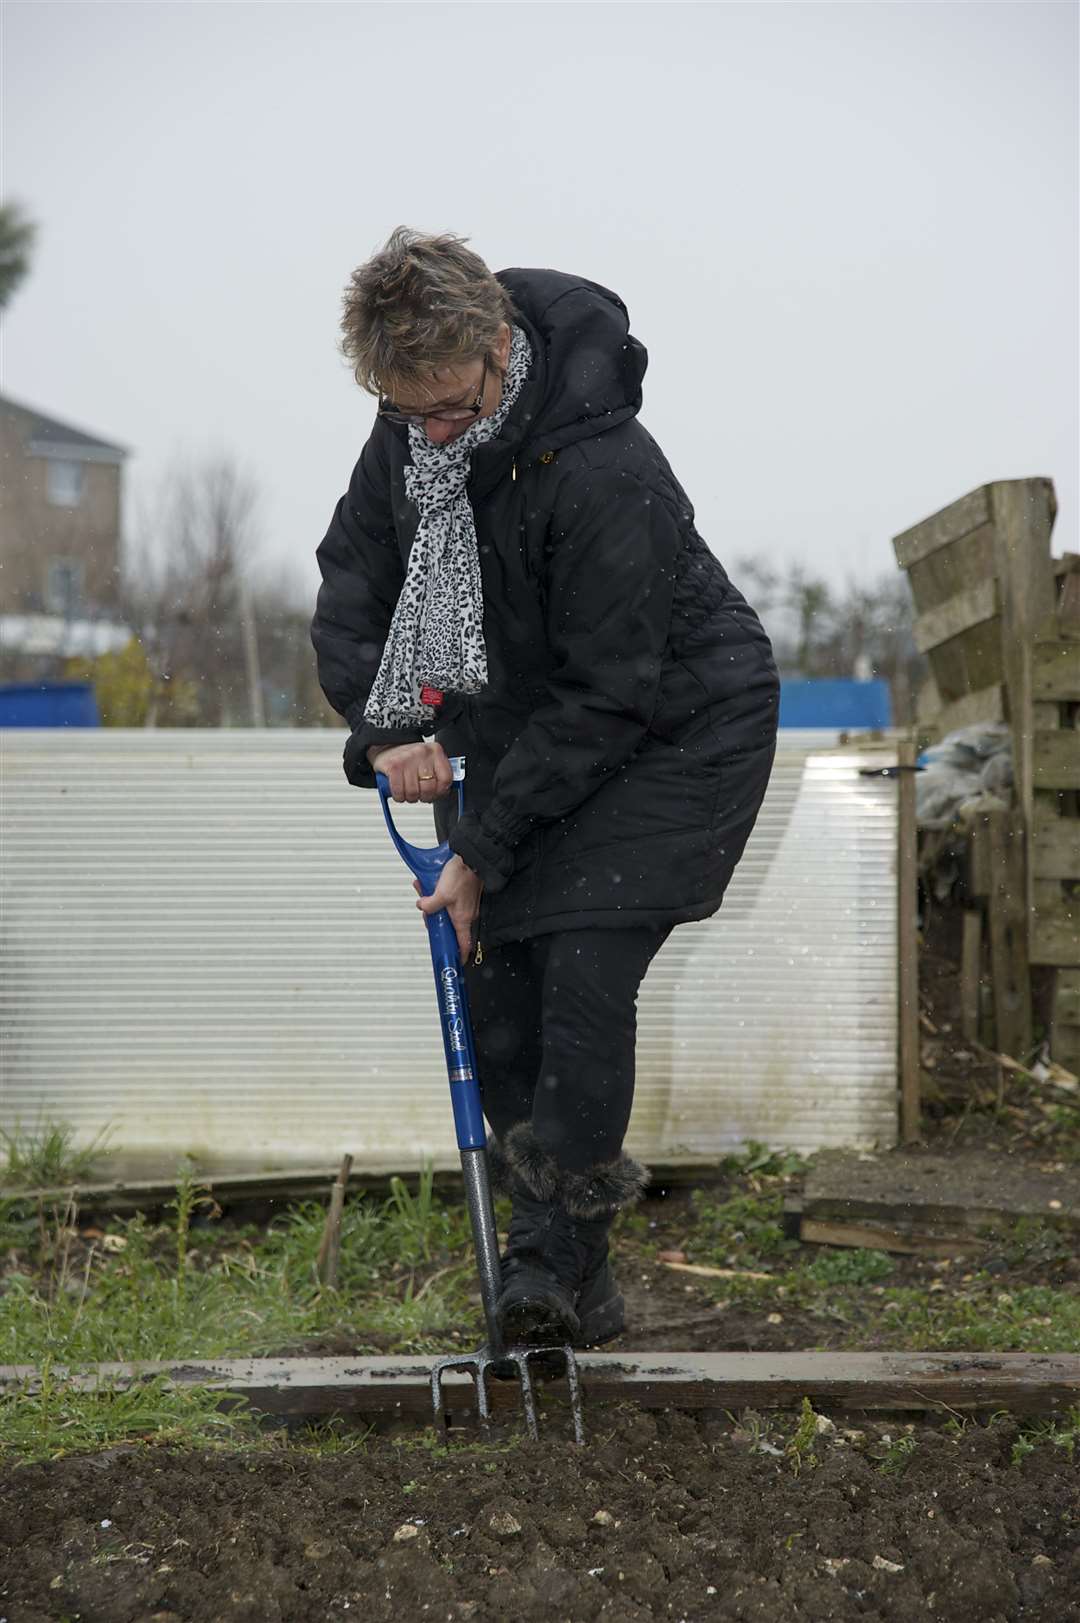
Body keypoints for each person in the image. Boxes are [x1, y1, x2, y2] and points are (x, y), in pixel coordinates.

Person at [311, 228, 780, 1351]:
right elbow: (354, 590)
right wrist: (387, 731)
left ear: (496, 348)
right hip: (528, 732)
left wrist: (484, 845)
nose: (429, 434)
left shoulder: (607, 467)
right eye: (402, 410)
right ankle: (583, 1282)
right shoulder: (410, 443)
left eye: (448, 412)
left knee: (580, 974)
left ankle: (543, 1265)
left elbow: (610, 689)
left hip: (673, 729)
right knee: (497, 991)